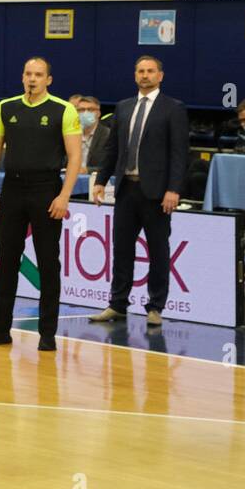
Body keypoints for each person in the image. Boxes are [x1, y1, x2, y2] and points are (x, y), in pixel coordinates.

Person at [0, 57, 82, 352]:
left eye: (39, 75)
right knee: (7, 260)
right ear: (22, 76)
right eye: (28, 74)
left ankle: (47, 333)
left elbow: (75, 157)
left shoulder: (64, 109)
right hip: (12, 188)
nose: (32, 79)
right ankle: (0, 329)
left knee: (49, 262)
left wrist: (64, 195)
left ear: (49, 79)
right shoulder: (6, 107)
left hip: (46, 189)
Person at [88, 56, 189, 327]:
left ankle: (155, 306)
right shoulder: (123, 107)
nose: (145, 75)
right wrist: (101, 180)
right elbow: (113, 149)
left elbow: (180, 154)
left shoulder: (173, 108)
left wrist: (173, 189)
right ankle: (117, 304)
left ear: (160, 75)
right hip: (125, 190)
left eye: (150, 71)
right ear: (135, 75)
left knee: (158, 251)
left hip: (156, 193)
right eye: (140, 71)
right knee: (121, 250)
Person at [73, 95, 110, 171]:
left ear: (99, 113)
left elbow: (110, 165)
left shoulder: (108, 135)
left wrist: (87, 170)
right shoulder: (71, 134)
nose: (85, 113)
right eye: (81, 110)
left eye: (90, 109)